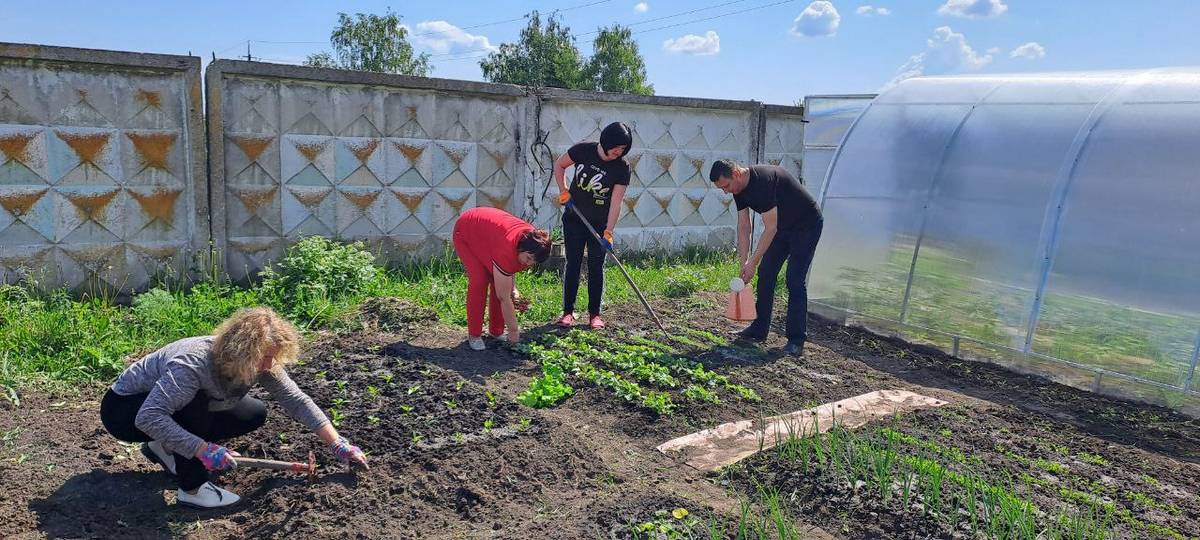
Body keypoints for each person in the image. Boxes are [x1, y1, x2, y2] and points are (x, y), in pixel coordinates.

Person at [99, 307, 368, 509]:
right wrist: (203, 450)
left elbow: (296, 400)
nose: (268, 365)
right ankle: (192, 489)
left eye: (273, 357)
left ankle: (164, 446)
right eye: (264, 357)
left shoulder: (261, 363)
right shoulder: (192, 364)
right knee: (195, 404)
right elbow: (148, 417)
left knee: (252, 413)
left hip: (164, 408)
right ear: (242, 351)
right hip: (124, 412)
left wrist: (337, 443)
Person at [709, 159, 823, 355]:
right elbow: (744, 227)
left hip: (806, 225)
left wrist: (753, 262)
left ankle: (796, 340)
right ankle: (759, 329)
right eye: (722, 189)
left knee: (794, 279)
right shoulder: (738, 189)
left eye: (726, 186)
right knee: (766, 273)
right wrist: (744, 262)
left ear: (736, 173)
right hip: (782, 226)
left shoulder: (763, 182)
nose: (726, 192)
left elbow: (770, 228)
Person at [553, 121, 633, 329]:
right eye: (617, 147)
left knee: (596, 266)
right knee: (573, 263)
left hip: (599, 225)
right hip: (574, 218)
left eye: (623, 149)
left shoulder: (622, 167)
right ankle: (568, 312)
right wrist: (563, 190)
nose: (619, 152)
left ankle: (595, 314)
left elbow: (616, 202)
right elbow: (559, 165)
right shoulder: (583, 150)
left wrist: (609, 231)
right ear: (607, 141)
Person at [452, 206, 553, 350]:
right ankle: (474, 335)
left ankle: (496, 331)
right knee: (480, 280)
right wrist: (514, 332)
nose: (528, 264)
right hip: (466, 230)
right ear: (522, 248)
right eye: (528, 258)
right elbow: (503, 297)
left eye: (533, 262)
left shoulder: (531, 243)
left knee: (498, 283)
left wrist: (513, 289)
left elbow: (510, 269)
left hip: (489, 235)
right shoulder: (509, 248)